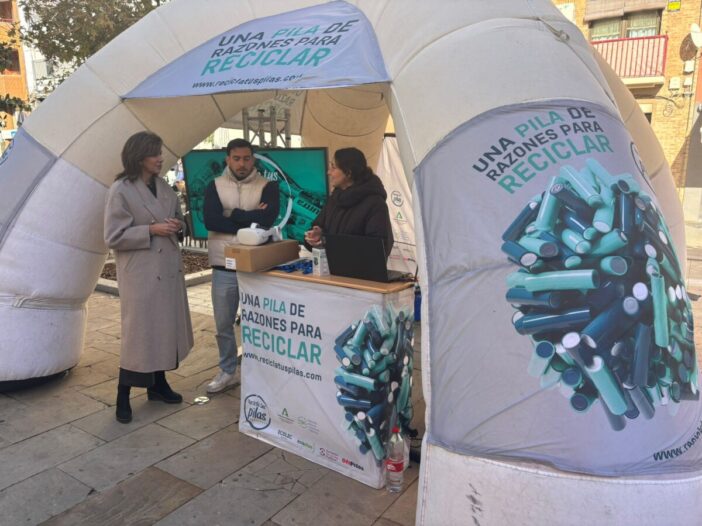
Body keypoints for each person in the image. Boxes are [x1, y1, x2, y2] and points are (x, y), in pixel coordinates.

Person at [104, 131, 194, 424]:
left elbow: (179, 221)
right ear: (139, 156)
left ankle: (158, 385)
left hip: (167, 271)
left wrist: (178, 225)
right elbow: (113, 236)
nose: (160, 158)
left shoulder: (164, 187)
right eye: (155, 153)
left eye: (159, 153)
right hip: (141, 275)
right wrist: (151, 230)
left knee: (164, 330)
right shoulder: (121, 190)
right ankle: (123, 395)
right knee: (139, 336)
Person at [204, 138, 279, 393]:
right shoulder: (214, 186)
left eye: (247, 158)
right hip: (223, 265)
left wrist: (233, 214)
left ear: (253, 159)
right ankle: (228, 370)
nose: (242, 164)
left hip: (256, 266)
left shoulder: (267, 186)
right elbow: (211, 221)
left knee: (258, 323)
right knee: (223, 324)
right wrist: (250, 219)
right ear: (228, 159)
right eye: (236, 158)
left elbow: (268, 219)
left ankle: (260, 370)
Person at [304, 147, 393, 256]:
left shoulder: (375, 204)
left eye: (333, 167)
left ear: (348, 173)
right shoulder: (334, 199)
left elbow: (379, 247)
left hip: (358, 267)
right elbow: (317, 227)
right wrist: (315, 237)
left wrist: (330, 243)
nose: (328, 172)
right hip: (330, 265)